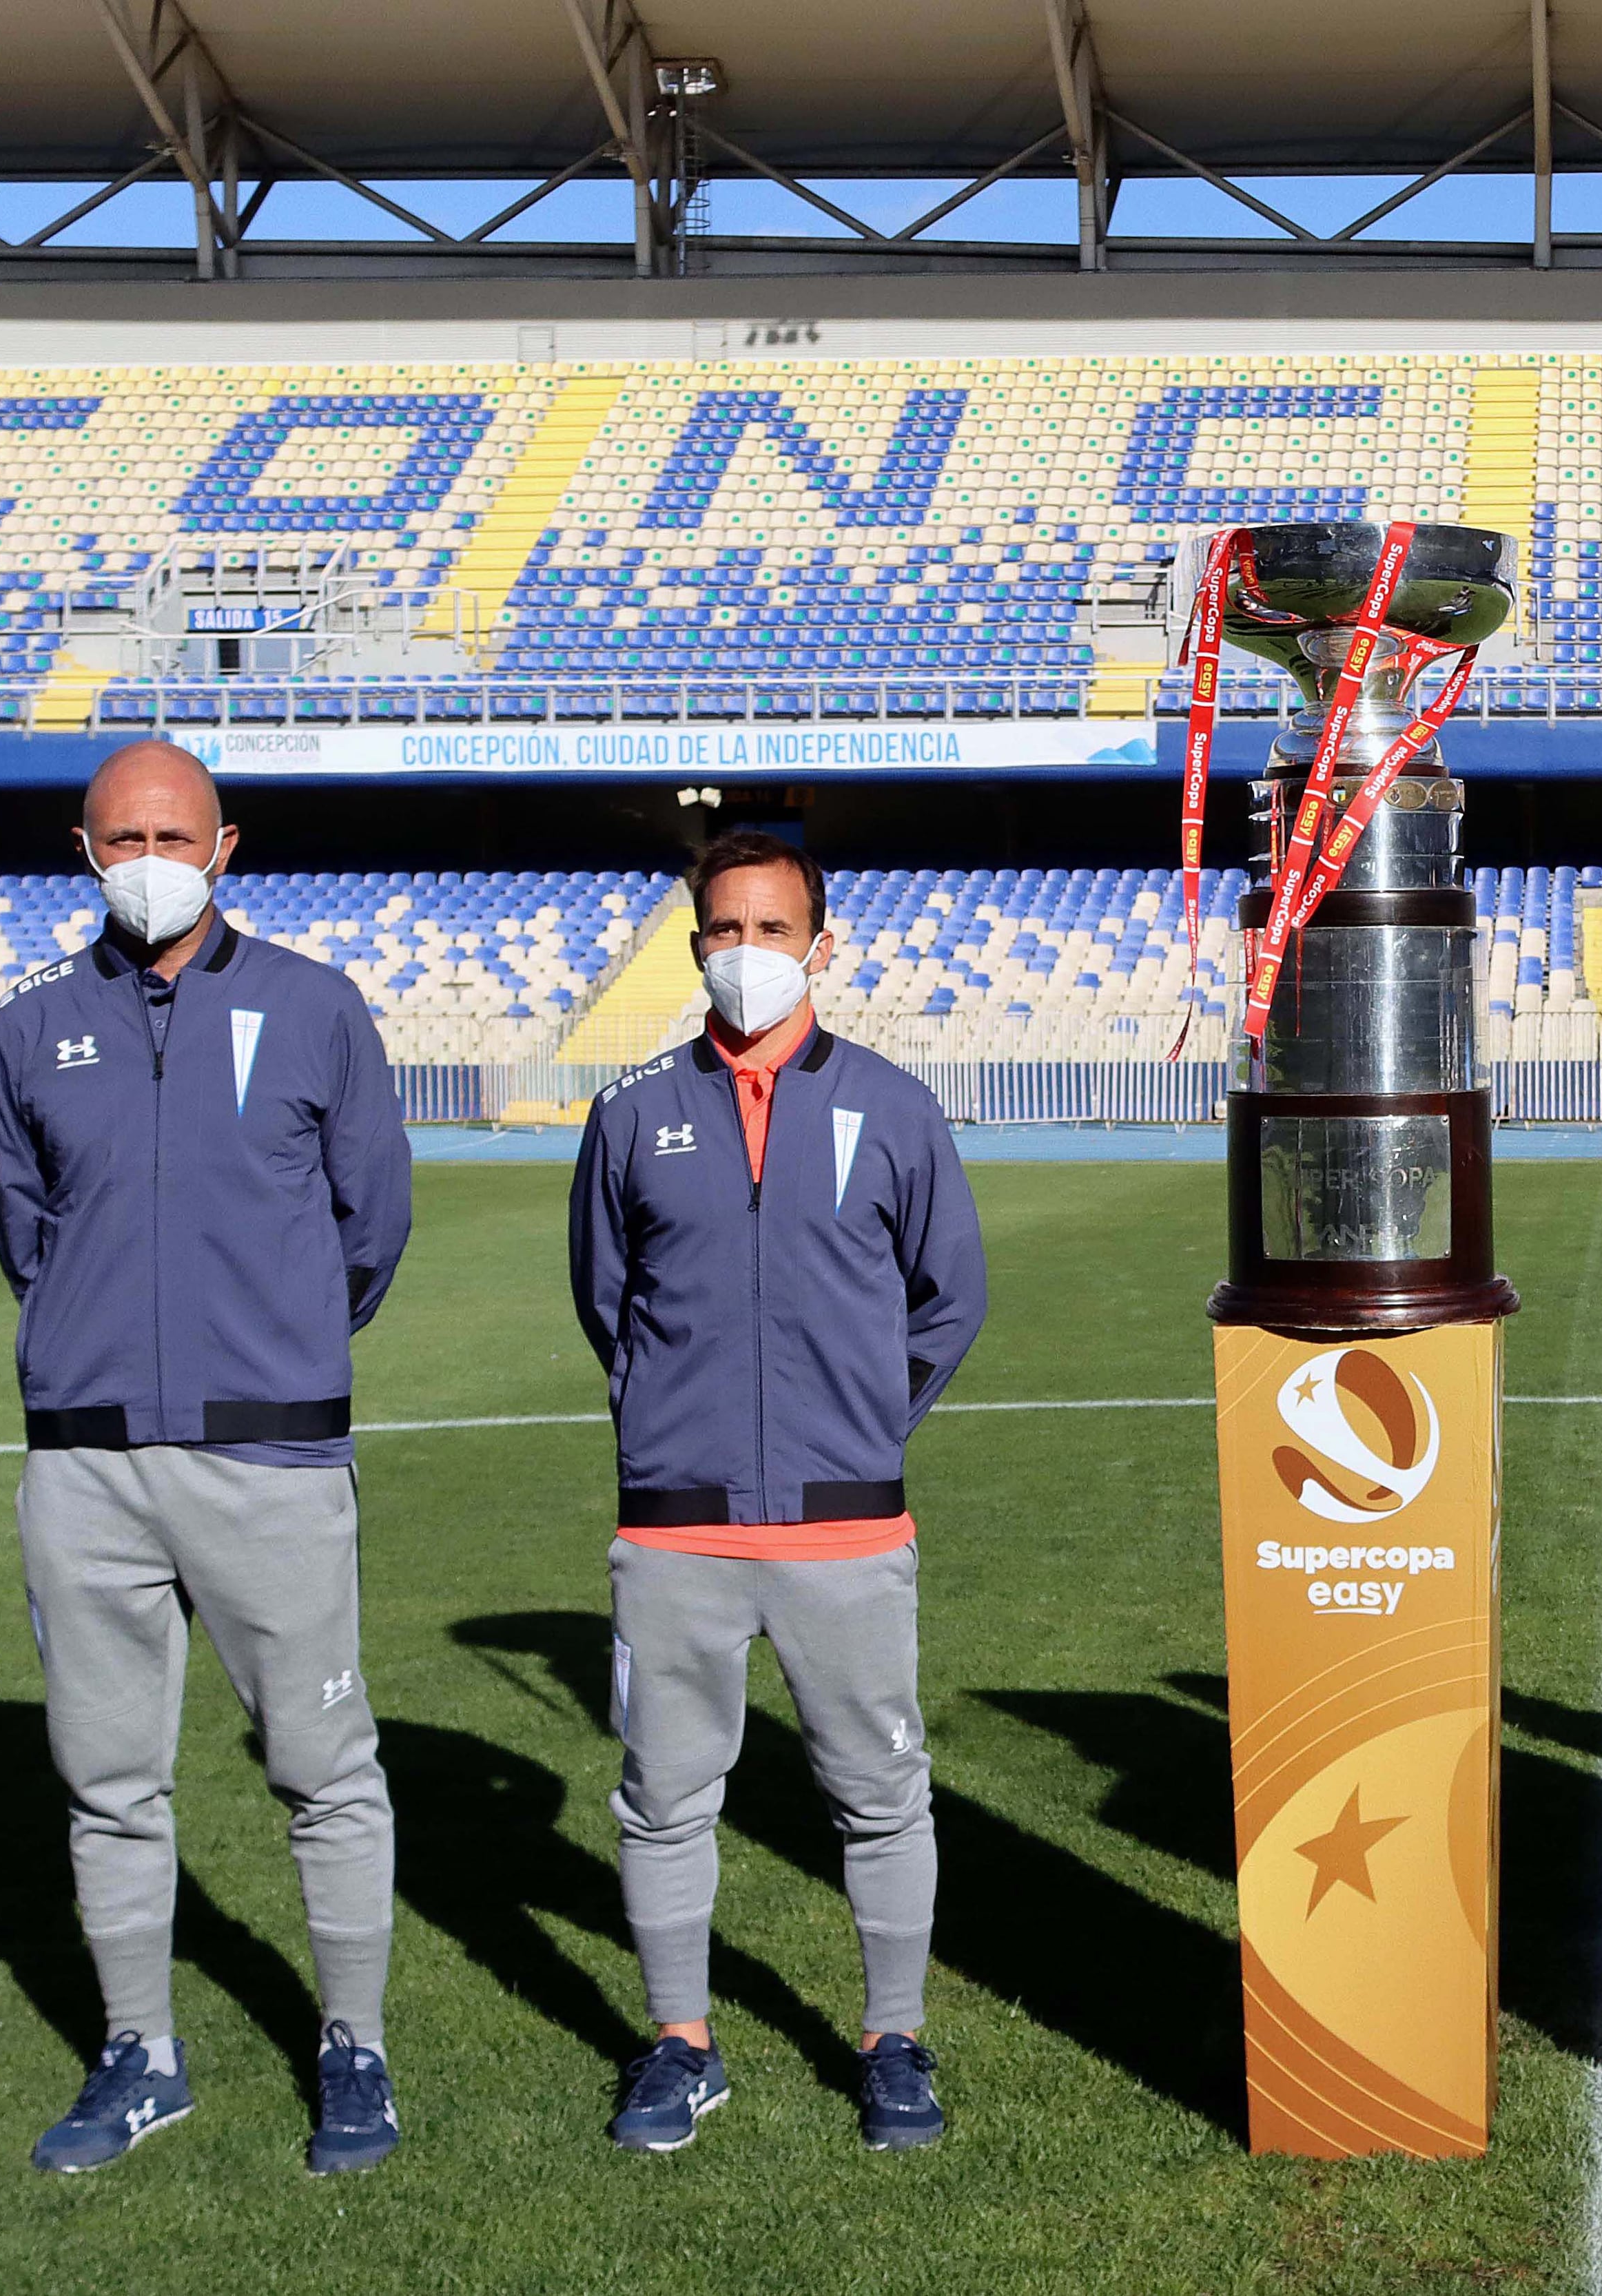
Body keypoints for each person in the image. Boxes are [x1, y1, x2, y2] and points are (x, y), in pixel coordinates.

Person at [0, 740, 413, 2175]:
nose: (146, 856)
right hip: (85, 1468)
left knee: (323, 1766)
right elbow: (23, 1233)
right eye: (120, 836)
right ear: (84, 850)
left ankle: (353, 2046)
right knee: (108, 1776)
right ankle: (139, 2050)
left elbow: (370, 1225)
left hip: (270, 1459)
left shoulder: (314, 1005)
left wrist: (265, 1355)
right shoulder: (28, 1022)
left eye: (172, 830)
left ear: (226, 844)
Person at [569, 830, 987, 2155]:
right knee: (664, 1794)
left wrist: (857, 1424)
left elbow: (949, 1299)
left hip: (847, 1525)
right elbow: (608, 1301)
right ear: (697, 944)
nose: (746, 951)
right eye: (722, 929)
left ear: (821, 942)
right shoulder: (633, 1111)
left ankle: (895, 2035)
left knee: (881, 1791)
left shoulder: (894, 1108)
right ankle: (680, 2042)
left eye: (770, 927)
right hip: (678, 1526)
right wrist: (675, 1428)